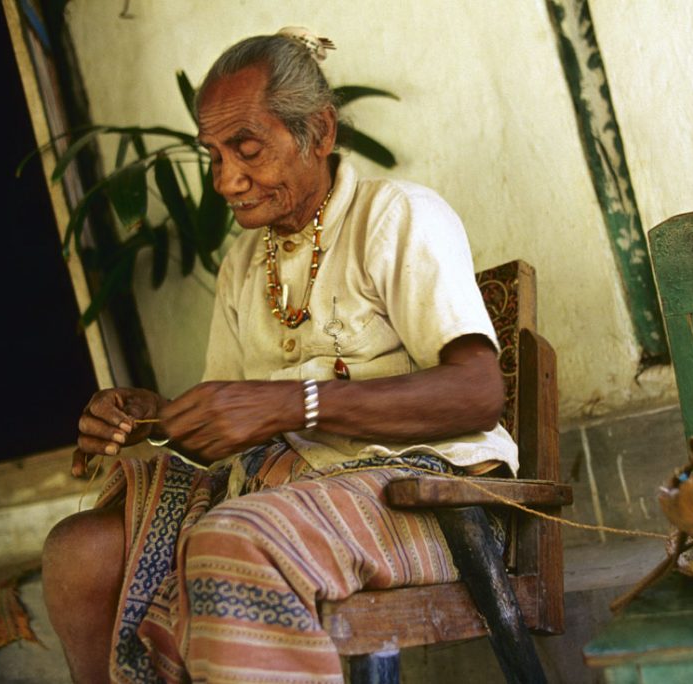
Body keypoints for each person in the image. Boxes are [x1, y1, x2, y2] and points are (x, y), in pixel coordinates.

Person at [42, 28, 517, 683]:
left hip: (425, 502)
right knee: (82, 551)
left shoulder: (395, 215)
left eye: (247, 149)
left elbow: (477, 391)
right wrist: (154, 416)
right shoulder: (244, 262)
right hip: (279, 496)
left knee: (234, 541)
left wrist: (298, 403)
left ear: (319, 133)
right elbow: (229, 432)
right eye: (213, 155)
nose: (226, 180)